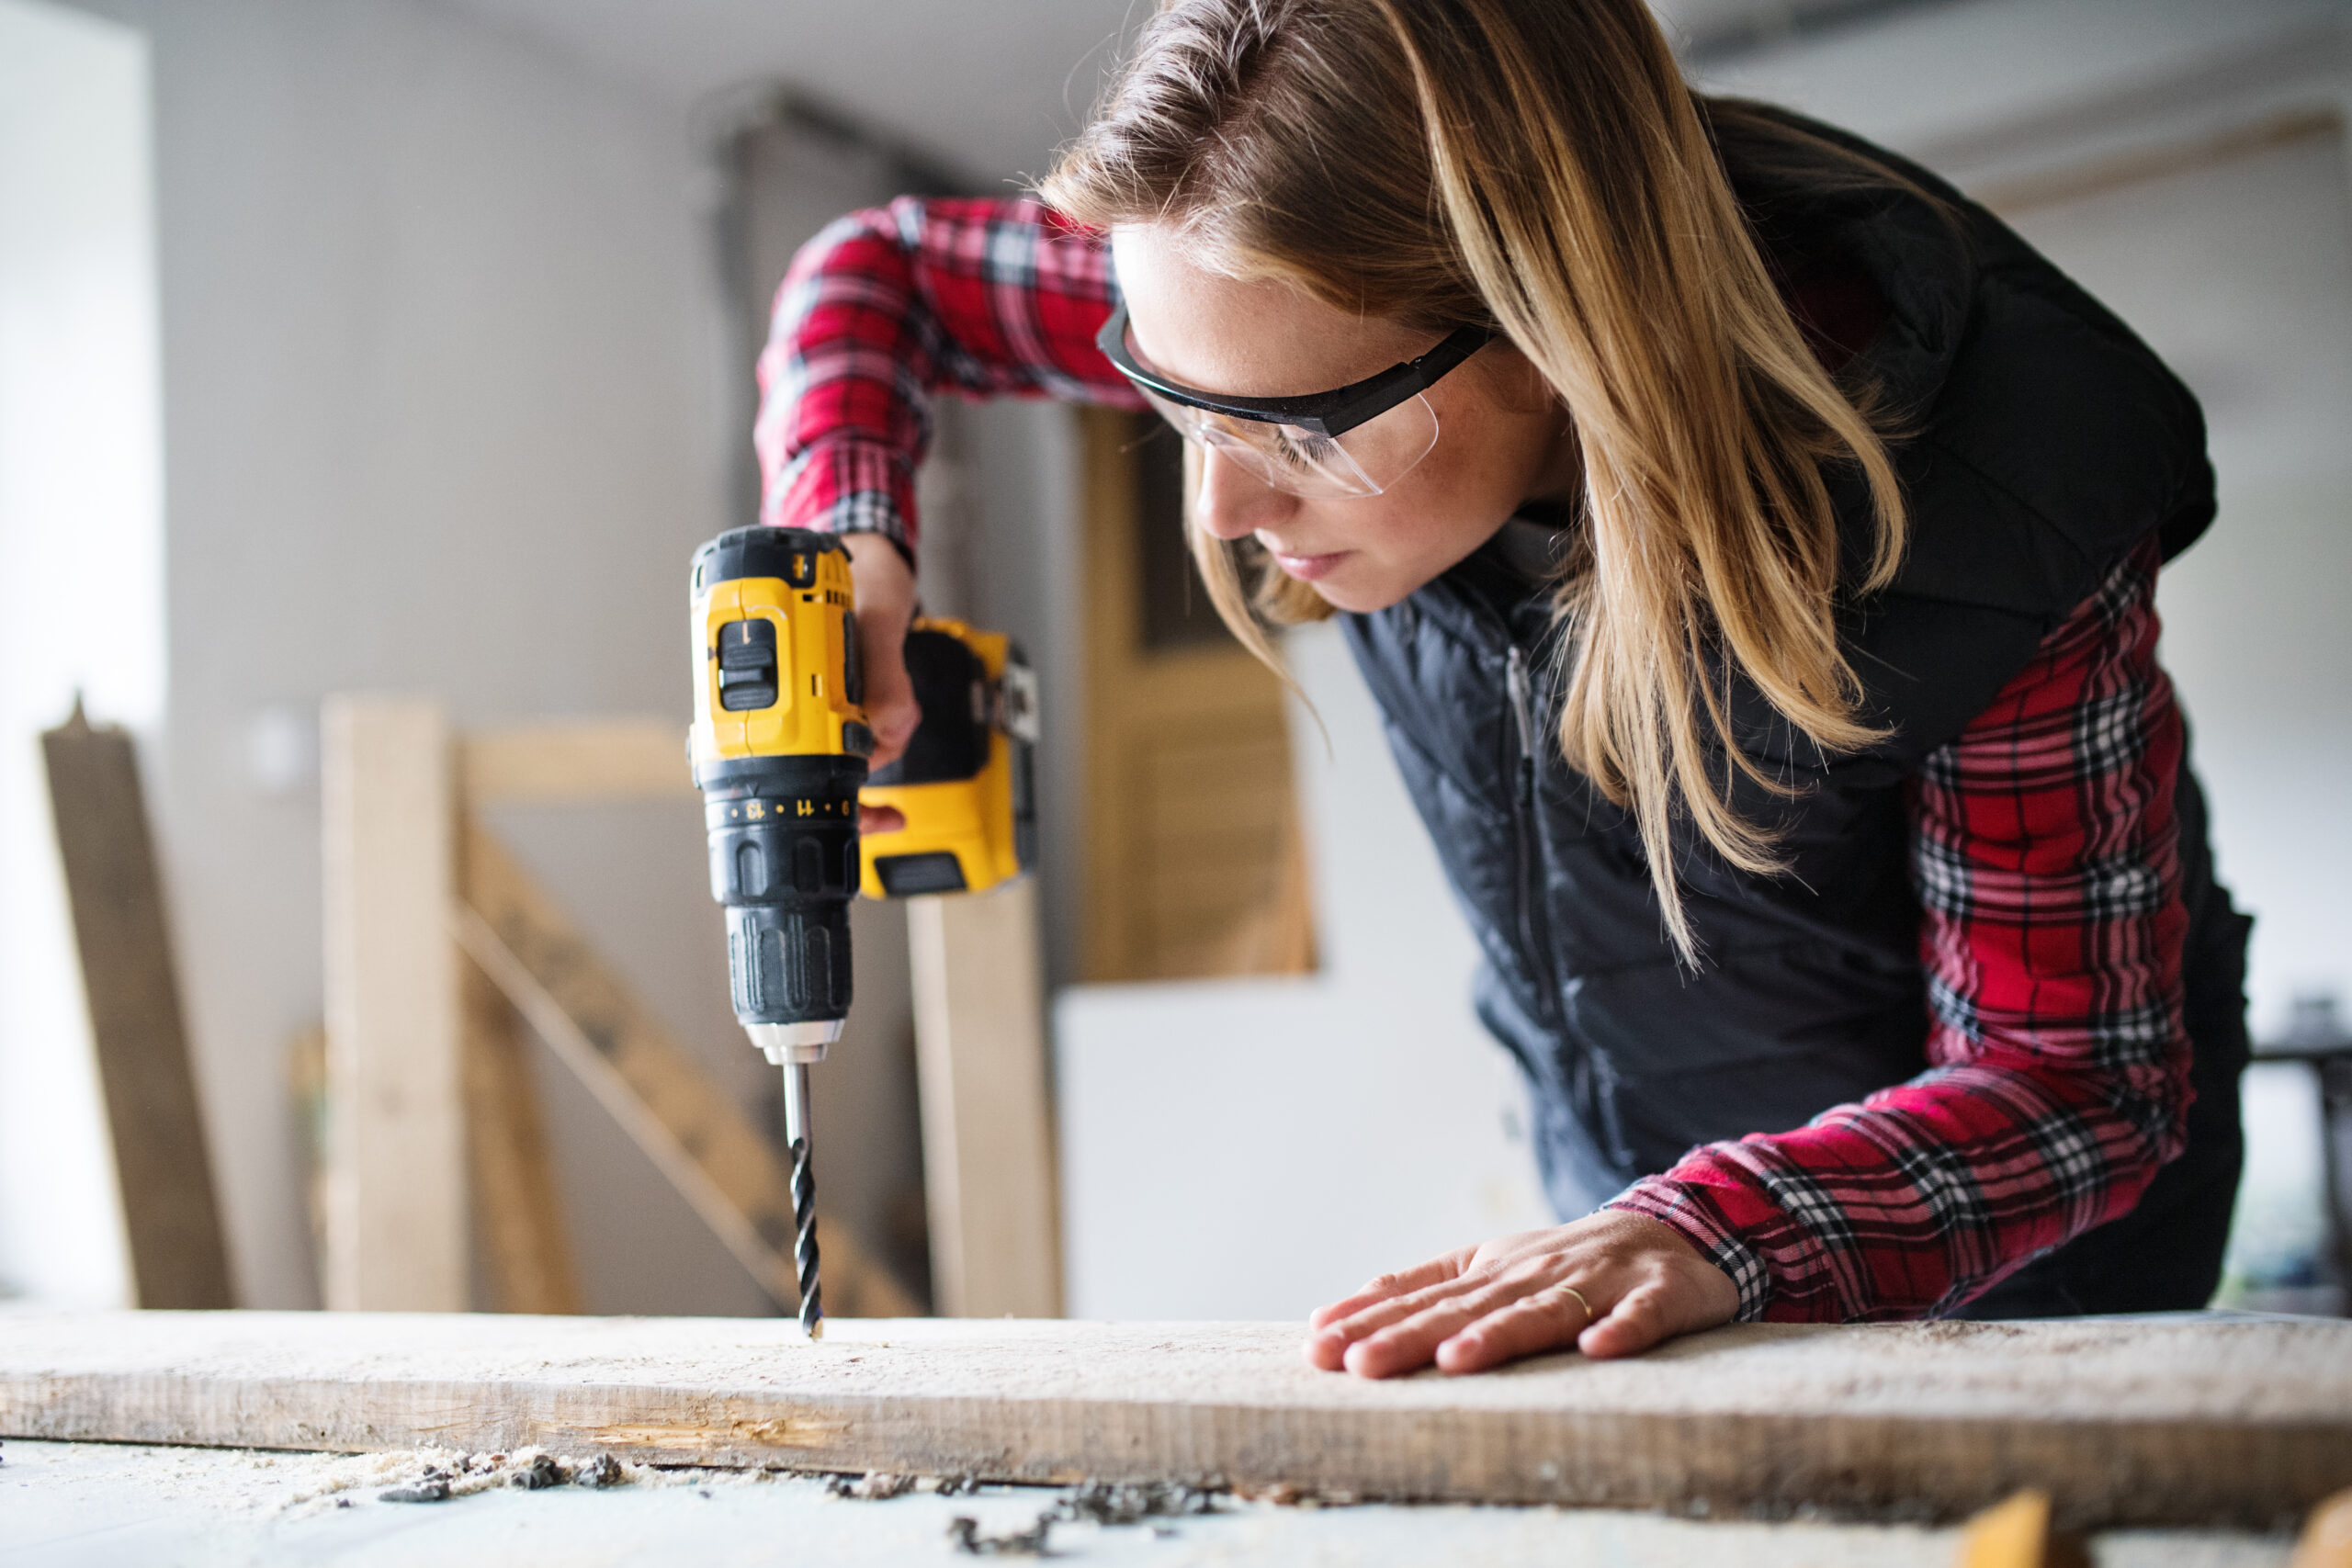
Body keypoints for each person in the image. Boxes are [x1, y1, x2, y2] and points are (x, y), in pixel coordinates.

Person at [752, 0, 2252, 1376]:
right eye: (1169, 394)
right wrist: (849, 542)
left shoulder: (1996, 515)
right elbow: (873, 278)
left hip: (2024, 1284)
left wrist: (1718, 1229)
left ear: (1554, 331)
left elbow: (2076, 1083)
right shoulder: (1270, 284)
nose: (1218, 509)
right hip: (1634, 1231)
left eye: (1301, 434)